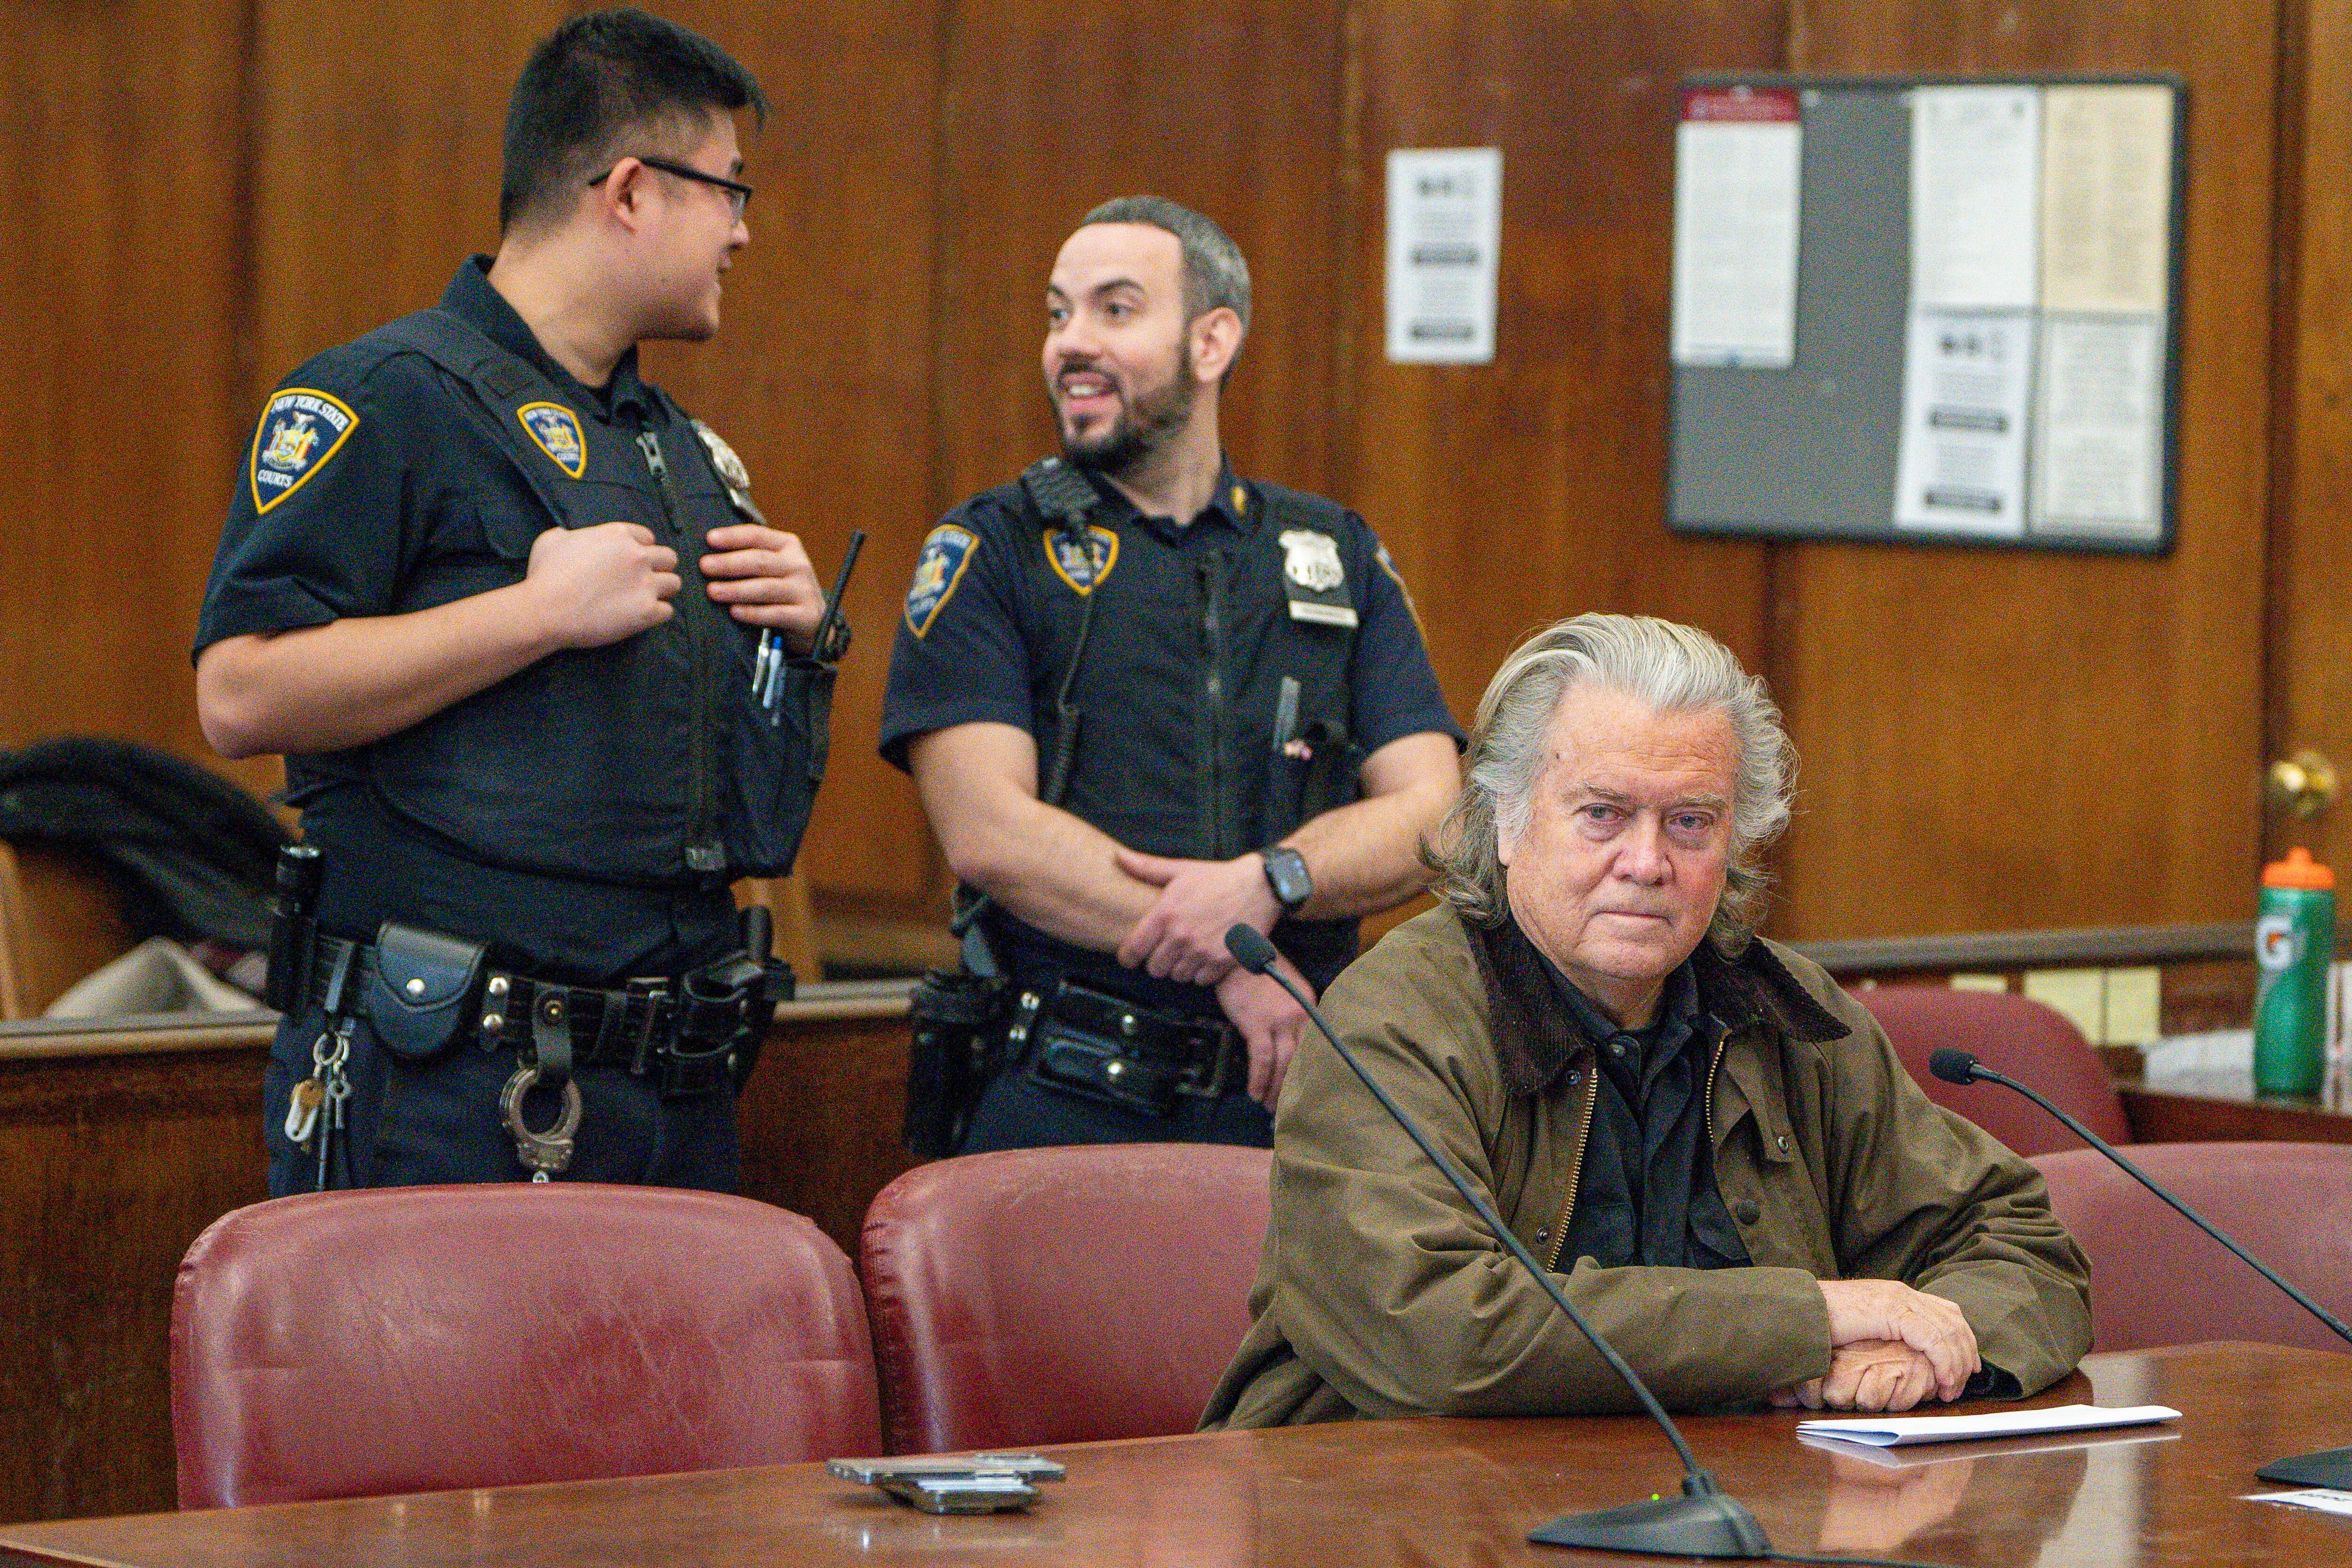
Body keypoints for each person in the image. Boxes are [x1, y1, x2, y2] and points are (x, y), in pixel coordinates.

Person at [193, 8, 841, 1195]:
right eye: (729, 189)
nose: (744, 231)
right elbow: (239, 691)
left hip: (670, 1085)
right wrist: (532, 613)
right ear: (631, 190)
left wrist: (797, 640)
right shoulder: (386, 396)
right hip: (448, 1087)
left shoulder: (684, 453)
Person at [1202, 613, 2091, 1424]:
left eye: (1690, 822)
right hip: (1389, 1503)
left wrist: (1920, 1353)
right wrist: (1808, 1320)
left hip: (1737, 1503)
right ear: (1505, 819)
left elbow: (2020, 1241)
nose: (1647, 861)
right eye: (1603, 814)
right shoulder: (1392, 1020)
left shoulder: (1784, 1012)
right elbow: (1437, 1328)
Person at [880, 196, 1462, 1153]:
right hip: (1066, 1089)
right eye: (1058, 313)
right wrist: (1232, 950)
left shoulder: (1333, 555)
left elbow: (1437, 812)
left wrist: (1275, 880)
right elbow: (988, 833)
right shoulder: (992, 549)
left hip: (1291, 1102)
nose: (1071, 342)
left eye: (1114, 309)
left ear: (1211, 341)